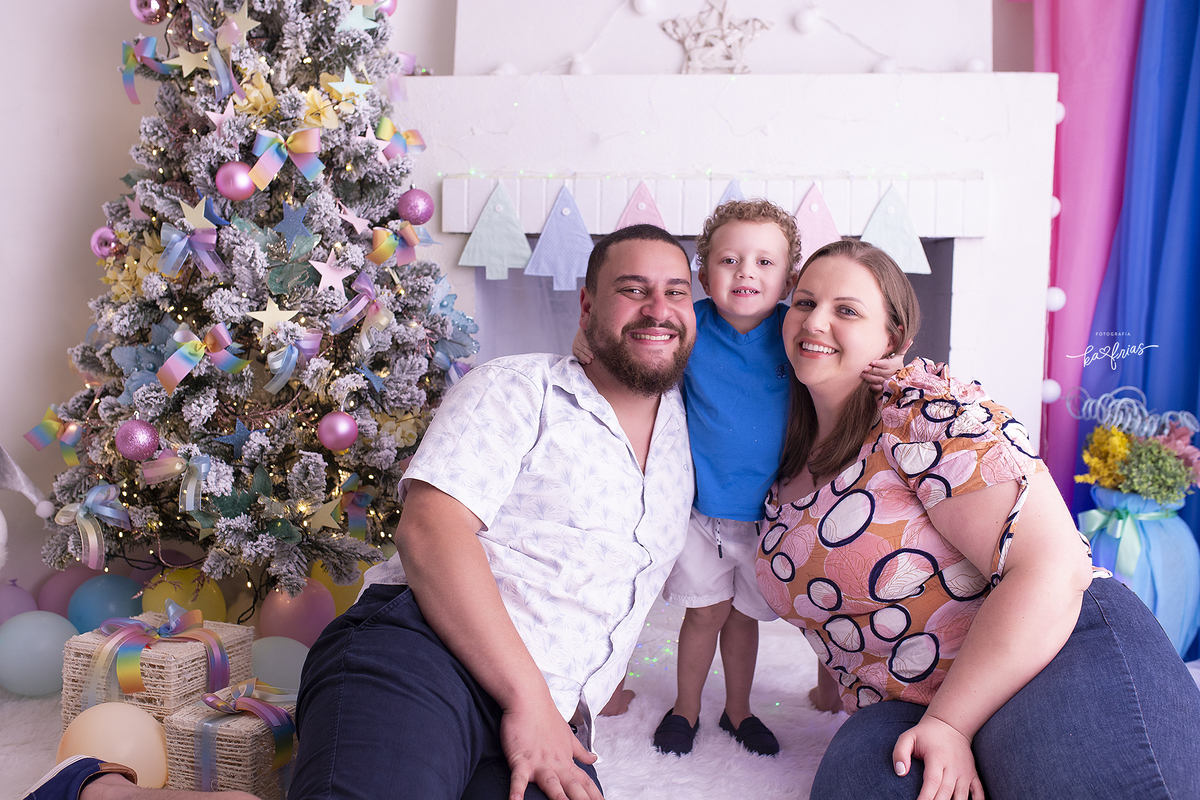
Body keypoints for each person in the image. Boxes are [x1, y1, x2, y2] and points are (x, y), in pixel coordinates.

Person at [22, 224, 697, 800]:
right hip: (424, 651)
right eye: (633, 288)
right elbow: (431, 530)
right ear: (587, 306)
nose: (657, 308)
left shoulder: (692, 436)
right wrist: (529, 701)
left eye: (675, 291)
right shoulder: (521, 389)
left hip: (554, 712)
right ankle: (98, 788)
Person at [757, 237, 1200, 799]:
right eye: (804, 302)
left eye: (846, 309)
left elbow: (1054, 565)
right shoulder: (779, 472)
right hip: (900, 702)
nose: (815, 321)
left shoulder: (923, 411)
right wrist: (835, 693)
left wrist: (950, 724)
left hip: (1046, 642)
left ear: (893, 338)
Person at [573, 200, 902, 758]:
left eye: (764, 262)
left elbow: (850, 360)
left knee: (745, 618)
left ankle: (739, 710)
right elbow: (633, 347)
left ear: (789, 280)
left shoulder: (798, 332)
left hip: (770, 514)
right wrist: (585, 343)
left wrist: (889, 367)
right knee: (705, 613)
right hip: (702, 511)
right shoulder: (690, 328)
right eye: (729, 260)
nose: (746, 272)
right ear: (703, 274)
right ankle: (685, 708)